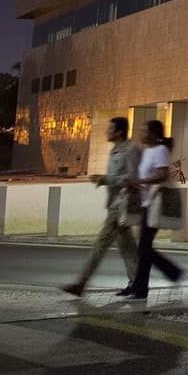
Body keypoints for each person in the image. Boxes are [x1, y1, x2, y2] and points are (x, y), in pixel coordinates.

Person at [61, 117, 139, 296]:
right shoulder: (115, 151)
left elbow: (133, 177)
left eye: (110, 129)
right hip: (115, 204)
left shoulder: (130, 150)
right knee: (127, 247)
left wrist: (106, 179)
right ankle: (137, 283)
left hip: (122, 204)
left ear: (119, 131)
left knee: (101, 244)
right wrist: (104, 179)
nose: (107, 132)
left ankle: (81, 283)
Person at [119, 120, 184, 300]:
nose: (141, 134)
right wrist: (134, 185)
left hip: (156, 203)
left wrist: (138, 182)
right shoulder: (147, 151)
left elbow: (162, 174)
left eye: (144, 131)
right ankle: (152, 282)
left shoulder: (160, 151)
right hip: (146, 203)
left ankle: (149, 284)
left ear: (154, 134)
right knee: (144, 248)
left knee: (144, 248)